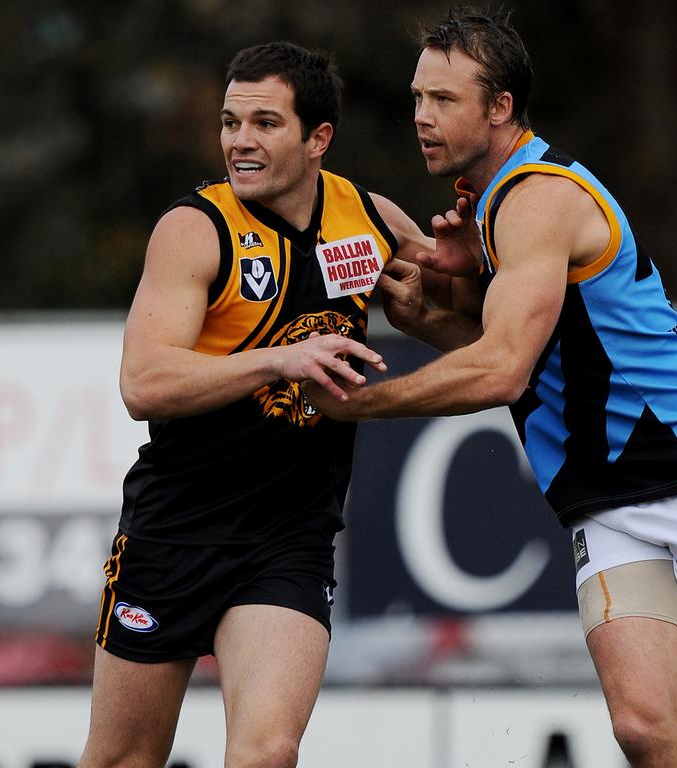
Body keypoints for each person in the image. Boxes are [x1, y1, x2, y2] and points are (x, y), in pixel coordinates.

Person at [304, 9, 677, 768]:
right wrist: (430, 317)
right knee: (642, 729)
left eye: (444, 100)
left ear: (500, 107)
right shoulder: (491, 205)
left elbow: (502, 370)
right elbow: (534, 362)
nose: (421, 118)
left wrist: (360, 403)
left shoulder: (537, 198)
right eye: (418, 97)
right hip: (610, 501)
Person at [79, 41, 468, 768]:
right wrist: (279, 360)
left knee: (268, 752)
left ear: (318, 138)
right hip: (176, 531)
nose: (240, 141)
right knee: (122, 759)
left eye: (264, 122)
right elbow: (142, 383)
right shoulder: (196, 229)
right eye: (230, 122)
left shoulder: (366, 216)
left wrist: (471, 265)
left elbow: (459, 315)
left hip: (290, 535)